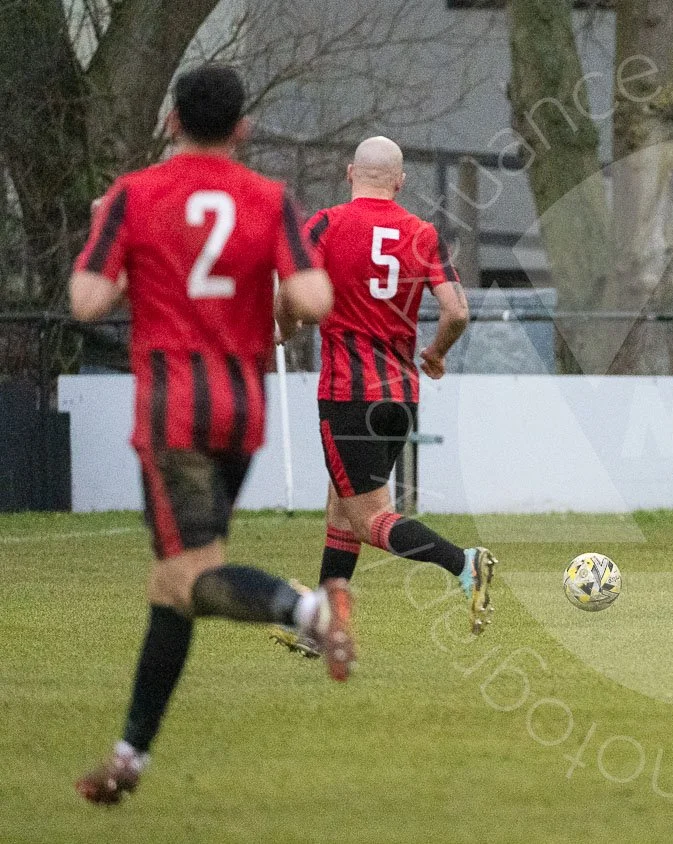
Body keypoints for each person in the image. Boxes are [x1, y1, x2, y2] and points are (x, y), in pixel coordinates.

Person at [69, 64, 346, 805]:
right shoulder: (269, 199)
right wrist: (263, 276)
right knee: (178, 583)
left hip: (175, 413)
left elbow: (87, 302)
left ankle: (307, 610)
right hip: (244, 410)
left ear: (169, 122)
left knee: (186, 575)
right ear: (243, 129)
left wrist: (128, 257)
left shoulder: (134, 196)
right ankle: (129, 756)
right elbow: (314, 298)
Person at [270, 137, 495, 658]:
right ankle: (320, 628)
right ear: (400, 181)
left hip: (347, 394)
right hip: (400, 396)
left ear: (350, 173)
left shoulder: (326, 224)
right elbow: (457, 312)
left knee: (369, 518)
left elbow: (288, 289)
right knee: (341, 508)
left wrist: (286, 327)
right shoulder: (423, 233)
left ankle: (463, 562)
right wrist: (436, 353)